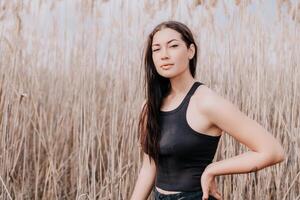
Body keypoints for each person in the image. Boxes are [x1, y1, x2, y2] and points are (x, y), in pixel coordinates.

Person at [130, 20, 285, 200]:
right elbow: (149, 167)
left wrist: (213, 169)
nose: (164, 55)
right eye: (156, 49)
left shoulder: (207, 102)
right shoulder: (149, 106)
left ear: (190, 51)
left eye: (172, 46)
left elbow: (273, 151)